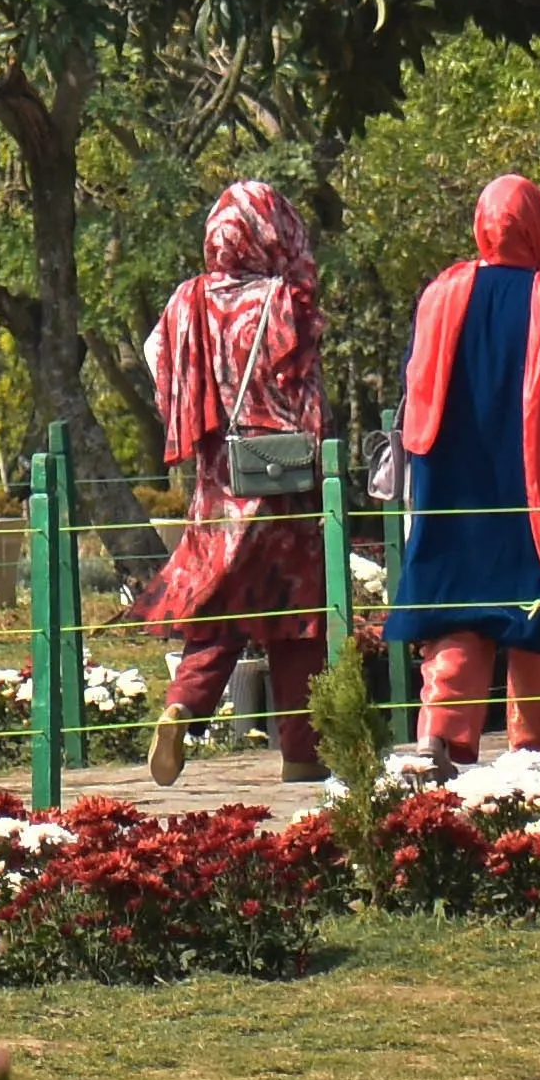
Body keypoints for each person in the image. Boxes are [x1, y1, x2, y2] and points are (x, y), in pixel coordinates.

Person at [384, 172, 540, 765]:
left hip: (451, 490)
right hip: (533, 493)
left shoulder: (442, 294)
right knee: (535, 622)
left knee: (456, 617)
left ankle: (441, 743)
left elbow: (414, 384)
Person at [137, 178, 337, 787]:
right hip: (284, 480)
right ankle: (302, 754)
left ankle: (183, 705)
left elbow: (157, 362)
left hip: (220, 483)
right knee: (298, 618)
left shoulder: (187, 301)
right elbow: (308, 397)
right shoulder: (285, 301)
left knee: (221, 609)